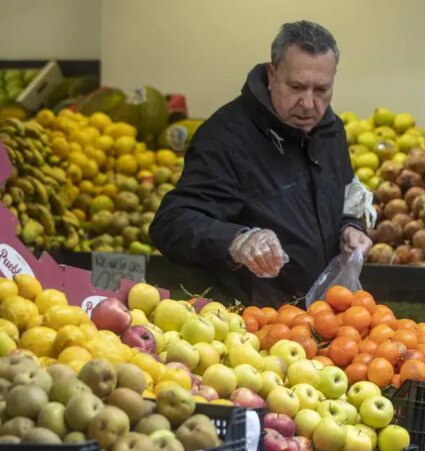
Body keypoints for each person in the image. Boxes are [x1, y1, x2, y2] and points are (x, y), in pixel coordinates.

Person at [150, 20, 372, 307]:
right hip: (250, 327)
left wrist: (350, 227)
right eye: (296, 87)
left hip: (321, 320)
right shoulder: (225, 137)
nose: (308, 103)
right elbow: (171, 224)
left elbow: (344, 198)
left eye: (321, 90)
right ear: (272, 73)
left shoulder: (330, 130)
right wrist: (237, 241)